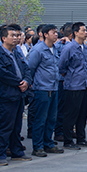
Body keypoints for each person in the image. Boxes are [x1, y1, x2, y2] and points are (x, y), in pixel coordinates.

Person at [0, 25, 31, 165]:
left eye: (16, 36)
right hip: (6, 96)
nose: (15, 38)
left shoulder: (17, 53)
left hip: (19, 95)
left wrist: (26, 81)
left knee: (16, 126)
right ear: (3, 38)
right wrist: (19, 82)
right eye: (12, 36)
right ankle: (0, 154)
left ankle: (16, 152)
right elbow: (2, 74)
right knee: (4, 126)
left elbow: (26, 68)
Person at [26, 24, 64, 156]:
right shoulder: (38, 50)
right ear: (45, 34)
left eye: (56, 32)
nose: (56, 35)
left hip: (54, 87)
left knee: (51, 118)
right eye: (53, 32)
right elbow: (31, 68)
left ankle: (48, 143)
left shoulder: (55, 48)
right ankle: (38, 146)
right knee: (40, 119)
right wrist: (31, 84)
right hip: (42, 89)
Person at [58, 22, 87, 148]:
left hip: (84, 84)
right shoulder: (69, 48)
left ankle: (81, 138)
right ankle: (68, 140)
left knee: (82, 114)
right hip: (73, 86)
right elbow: (61, 66)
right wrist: (70, 76)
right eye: (83, 30)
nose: (85, 33)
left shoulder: (84, 47)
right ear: (76, 33)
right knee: (71, 114)